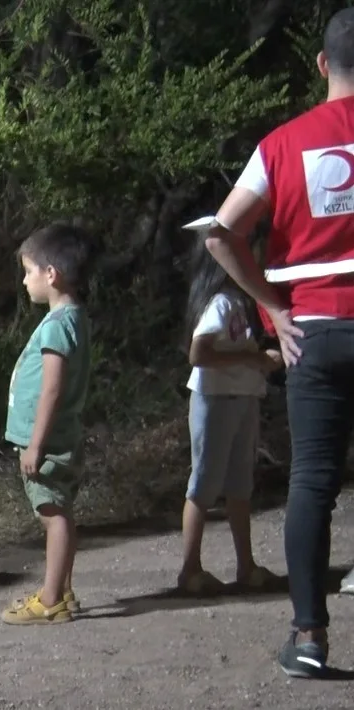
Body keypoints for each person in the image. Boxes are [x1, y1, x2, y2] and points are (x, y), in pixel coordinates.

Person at [198, 8, 354, 678]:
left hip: (313, 333)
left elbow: (218, 232)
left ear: (320, 64)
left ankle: (309, 637)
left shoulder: (283, 143)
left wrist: (271, 308)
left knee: (312, 481)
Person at [0, 223, 93, 625]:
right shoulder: (73, 318)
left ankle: (51, 598)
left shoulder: (57, 325)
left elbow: (52, 388)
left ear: (50, 273)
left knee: (52, 514)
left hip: (48, 441)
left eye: (28, 271)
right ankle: (62, 589)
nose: (24, 281)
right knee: (60, 510)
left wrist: (35, 444)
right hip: (61, 436)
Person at [178, 239, 281, 595]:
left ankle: (245, 565)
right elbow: (199, 353)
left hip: (242, 398)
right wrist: (252, 360)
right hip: (215, 399)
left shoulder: (238, 301)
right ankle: (190, 569)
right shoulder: (220, 303)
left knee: (240, 484)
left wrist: (260, 359)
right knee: (203, 484)